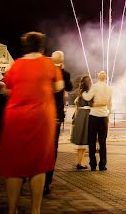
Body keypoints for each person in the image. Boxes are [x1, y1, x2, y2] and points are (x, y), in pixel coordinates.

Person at [0, 32, 64, 214]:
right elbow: (59, 87)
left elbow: (8, 89)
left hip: (16, 118)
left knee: (14, 166)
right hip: (41, 118)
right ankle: (35, 210)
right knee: (38, 164)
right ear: (41, 46)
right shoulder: (49, 63)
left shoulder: (16, 64)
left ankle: (12, 210)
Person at [44, 50, 73, 195]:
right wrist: (62, 70)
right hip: (55, 113)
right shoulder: (64, 73)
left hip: (41, 112)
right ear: (62, 60)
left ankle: (31, 174)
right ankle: (47, 181)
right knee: (52, 147)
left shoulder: (44, 71)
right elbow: (69, 87)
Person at [82, 70, 112, 171]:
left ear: (98, 76)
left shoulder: (94, 87)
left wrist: (83, 92)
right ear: (106, 77)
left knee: (92, 141)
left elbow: (87, 97)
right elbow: (110, 103)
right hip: (104, 117)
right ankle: (102, 165)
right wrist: (108, 114)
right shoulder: (109, 89)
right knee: (102, 142)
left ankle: (93, 164)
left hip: (94, 116)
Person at [70, 75, 92, 169]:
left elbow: (76, 106)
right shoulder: (87, 93)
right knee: (83, 141)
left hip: (79, 116)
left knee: (80, 141)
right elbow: (92, 104)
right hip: (85, 117)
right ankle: (80, 163)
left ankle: (79, 162)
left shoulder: (79, 93)